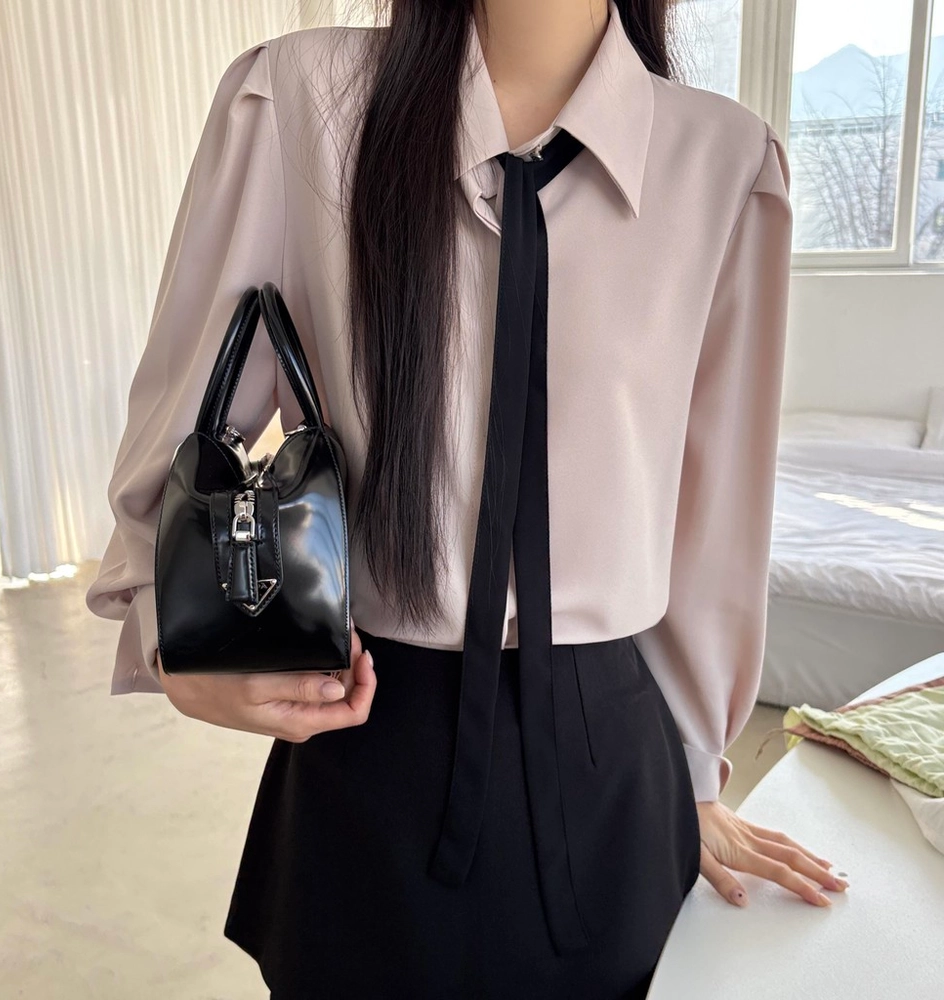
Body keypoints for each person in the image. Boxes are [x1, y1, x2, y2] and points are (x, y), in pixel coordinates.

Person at [85, 1, 849, 997]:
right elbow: (189, 431)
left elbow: (713, 531)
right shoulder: (297, 102)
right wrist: (175, 634)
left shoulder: (724, 163)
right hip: (368, 749)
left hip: (612, 779)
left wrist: (694, 775)